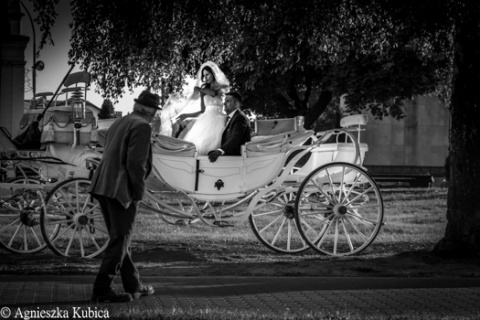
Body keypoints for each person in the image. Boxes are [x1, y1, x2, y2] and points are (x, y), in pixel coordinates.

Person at [88, 90, 160, 303]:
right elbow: (135, 164)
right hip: (121, 190)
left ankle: (134, 285)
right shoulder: (142, 126)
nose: (155, 115)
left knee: (120, 239)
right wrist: (138, 194)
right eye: (155, 110)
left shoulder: (120, 122)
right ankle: (102, 288)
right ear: (150, 111)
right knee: (120, 240)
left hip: (103, 185)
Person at [171, 61, 230, 155]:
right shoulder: (203, 92)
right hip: (206, 120)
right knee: (201, 145)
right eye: (204, 75)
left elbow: (214, 93)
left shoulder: (221, 88)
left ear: (213, 74)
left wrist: (200, 89)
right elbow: (202, 110)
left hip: (219, 119)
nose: (205, 78)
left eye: (207, 74)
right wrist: (186, 115)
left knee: (218, 142)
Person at [208, 91, 251, 162]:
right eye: (225, 101)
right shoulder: (232, 117)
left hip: (235, 159)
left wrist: (220, 151)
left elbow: (235, 138)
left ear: (236, 104)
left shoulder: (240, 118)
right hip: (229, 156)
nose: (224, 103)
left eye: (228, 101)